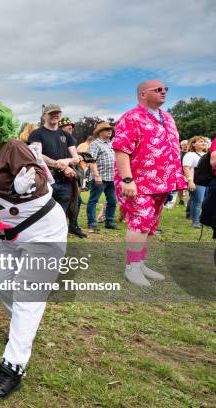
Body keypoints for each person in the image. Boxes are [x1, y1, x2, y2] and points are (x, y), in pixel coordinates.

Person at [0, 100, 67, 401]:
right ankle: (24, 326)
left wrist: (29, 184)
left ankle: (13, 367)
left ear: (1, 127)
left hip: (43, 228)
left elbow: (35, 172)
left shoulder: (12, 147)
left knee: (27, 297)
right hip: (10, 233)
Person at [112, 80, 186, 286]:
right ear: (143, 94)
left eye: (165, 89)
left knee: (152, 224)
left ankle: (140, 262)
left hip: (163, 182)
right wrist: (127, 180)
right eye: (158, 89)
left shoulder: (168, 118)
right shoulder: (131, 117)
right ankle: (132, 268)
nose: (163, 92)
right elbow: (121, 149)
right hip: (139, 182)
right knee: (140, 221)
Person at [28, 105, 86, 238]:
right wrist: (61, 165)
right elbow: (37, 156)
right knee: (42, 216)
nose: (55, 115)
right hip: (45, 181)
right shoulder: (37, 134)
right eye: (51, 113)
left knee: (61, 217)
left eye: (57, 113)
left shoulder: (66, 135)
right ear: (44, 116)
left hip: (65, 183)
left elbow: (76, 158)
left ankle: (58, 249)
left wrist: (66, 161)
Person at [57, 117, 86, 238]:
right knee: (61, 204)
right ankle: (59, 228)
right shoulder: (58, 139)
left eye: (71, 125)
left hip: (73, 176)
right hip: (60, 175)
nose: (70, 127)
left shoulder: (71, 139)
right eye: (67, 125)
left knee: (77, 202)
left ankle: (73, 226)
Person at [86, 122, 117, 231]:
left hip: (112, 178)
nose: (109, 131)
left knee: (112, 201)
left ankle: (109, 221)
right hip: (99, 178)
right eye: (106, 129)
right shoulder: (95, 144)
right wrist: (96, 175)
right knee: (94, 200)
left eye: (110, 129)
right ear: (100, 132)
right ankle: (92, 222)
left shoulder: (111, 143)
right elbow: (91, 161)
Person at [182, 136, 209, 228]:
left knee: (207, 202)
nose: (203, 143)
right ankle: (196, 221)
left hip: (208, 182)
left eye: (204, 141)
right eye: (200, 141)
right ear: (193, 144)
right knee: (197, 201)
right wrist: (190, 181)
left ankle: (203, 220)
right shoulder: (190, 155)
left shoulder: (208, 154)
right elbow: (186, 168)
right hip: (196, 182)